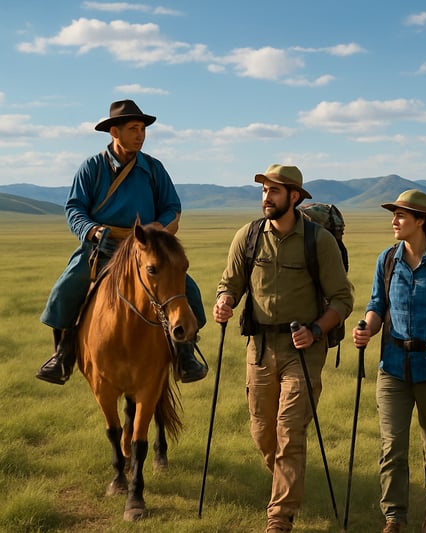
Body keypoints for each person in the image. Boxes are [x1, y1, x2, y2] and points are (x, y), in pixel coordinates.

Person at [213, 164, 353, 533]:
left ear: (294, 197)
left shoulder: (318, 241)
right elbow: (231, 282)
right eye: (263, 191)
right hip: (259, 347)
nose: (266, 198)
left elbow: (342, 299)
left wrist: (316, 330)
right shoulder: (249, 235)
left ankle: (279, 518)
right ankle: (286, 483)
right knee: (263, 432)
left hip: (302, 350)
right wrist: (224, 300)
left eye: (274, 192)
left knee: (290, 430)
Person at [36, 99, 207, 385]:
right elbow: (74, 208)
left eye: (142, 129)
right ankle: (63, 355)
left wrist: (159, 229)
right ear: (114, 132)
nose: (140, 135)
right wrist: (91, 230)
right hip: (103, 247)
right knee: (66, 287)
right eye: (133, 129)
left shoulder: (153, 168)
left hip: (145, 249)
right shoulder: (92, 168)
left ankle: (185, 353)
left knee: (186, 289)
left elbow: (171, 206)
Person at [351, 189, 426, 533]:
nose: (394, 221)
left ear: (421, 221)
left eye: (401, 215)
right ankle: (394, 517)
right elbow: (377, 305)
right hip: (392, 367)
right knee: (393, 447)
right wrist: (367, 329)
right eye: (394, 215)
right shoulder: (387, 260)